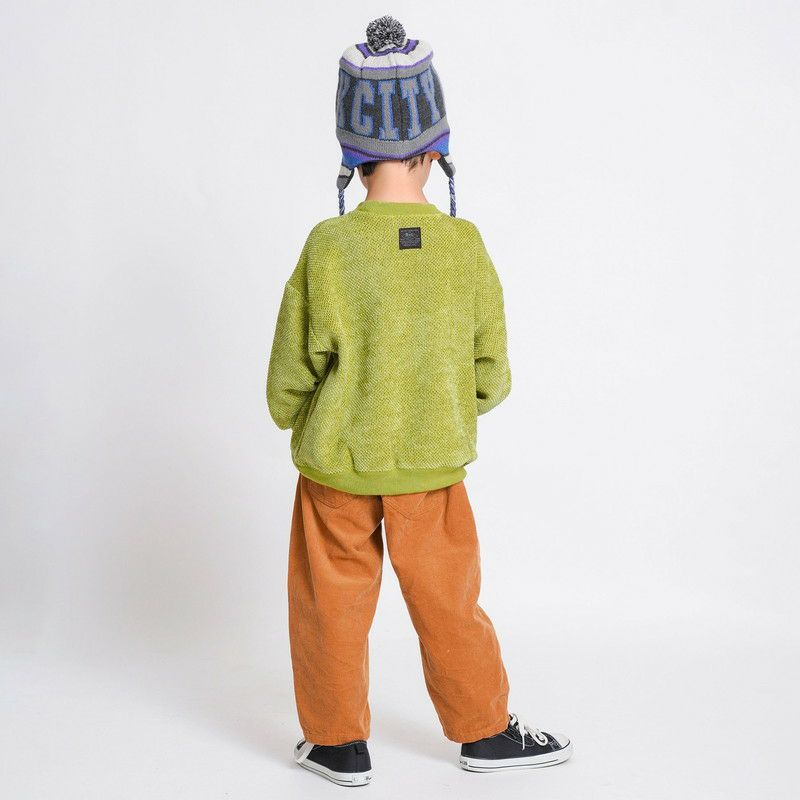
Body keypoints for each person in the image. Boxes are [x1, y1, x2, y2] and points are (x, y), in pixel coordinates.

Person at [266, 15, 572, 787]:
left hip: (338, 466)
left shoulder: (330, 246)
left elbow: (292, 372)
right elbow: (491, 372)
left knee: (330, 605)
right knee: (449, 603)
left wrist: (297, 412)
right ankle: (485, 734)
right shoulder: (464, 247)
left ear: (350, 153)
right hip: (432, 469)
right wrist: (446, 408)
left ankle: (337, 745)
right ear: (436, 148)